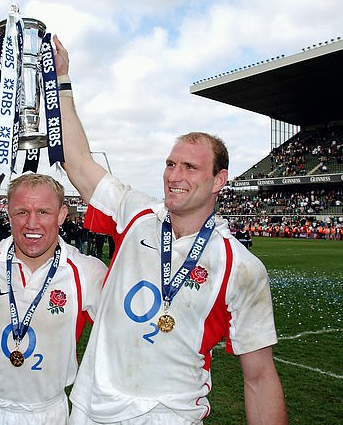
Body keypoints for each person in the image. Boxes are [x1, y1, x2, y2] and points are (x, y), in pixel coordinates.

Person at [52, 36, 287, 424]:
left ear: (218, 180)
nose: (174, 176)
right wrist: (62, 81)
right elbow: (77, 162)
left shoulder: (240, 266)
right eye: (170, 164)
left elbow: (259, 376)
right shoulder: (136, 214)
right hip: (93, 410)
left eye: (190, 168)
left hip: (170, 415)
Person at [0, 173, 107, 424]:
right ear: (8, 213)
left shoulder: (88, 271)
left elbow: (124, 331)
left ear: (62, 215)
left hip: (46, 412)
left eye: (43, 212)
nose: (32, 223)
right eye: (21, 212)